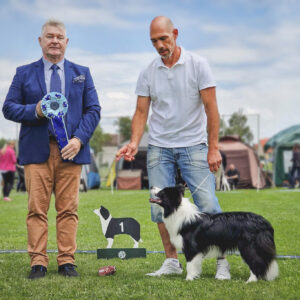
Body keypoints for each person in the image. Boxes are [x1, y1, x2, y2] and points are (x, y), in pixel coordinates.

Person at [116, 16, 230, 280]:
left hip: (194, 145)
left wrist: (213, 147)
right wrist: (134, 142)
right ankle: (171, 261)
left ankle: (221, 262)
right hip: (159, 147)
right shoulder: (148, 71)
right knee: (158, 207)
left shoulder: (198, 64)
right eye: (154, 41)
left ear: (175, 34)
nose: (159, 45)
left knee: (207, 204)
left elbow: (211, 108)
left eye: (163, 39)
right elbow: (141, 110)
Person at [3, 19, 100, 279]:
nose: (54, 41)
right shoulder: (23, 73)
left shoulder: (82, 72)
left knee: (68, 210)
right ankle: (38, 262)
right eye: (49, 36)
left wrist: (79, 139)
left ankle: (67, 261)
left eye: (59, 37)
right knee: (37, 209)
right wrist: (34, 110)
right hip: (37, 152)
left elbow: (94, 110)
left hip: (71, 151)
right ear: (40, 41)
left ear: (66, 42)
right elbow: (8, 107)